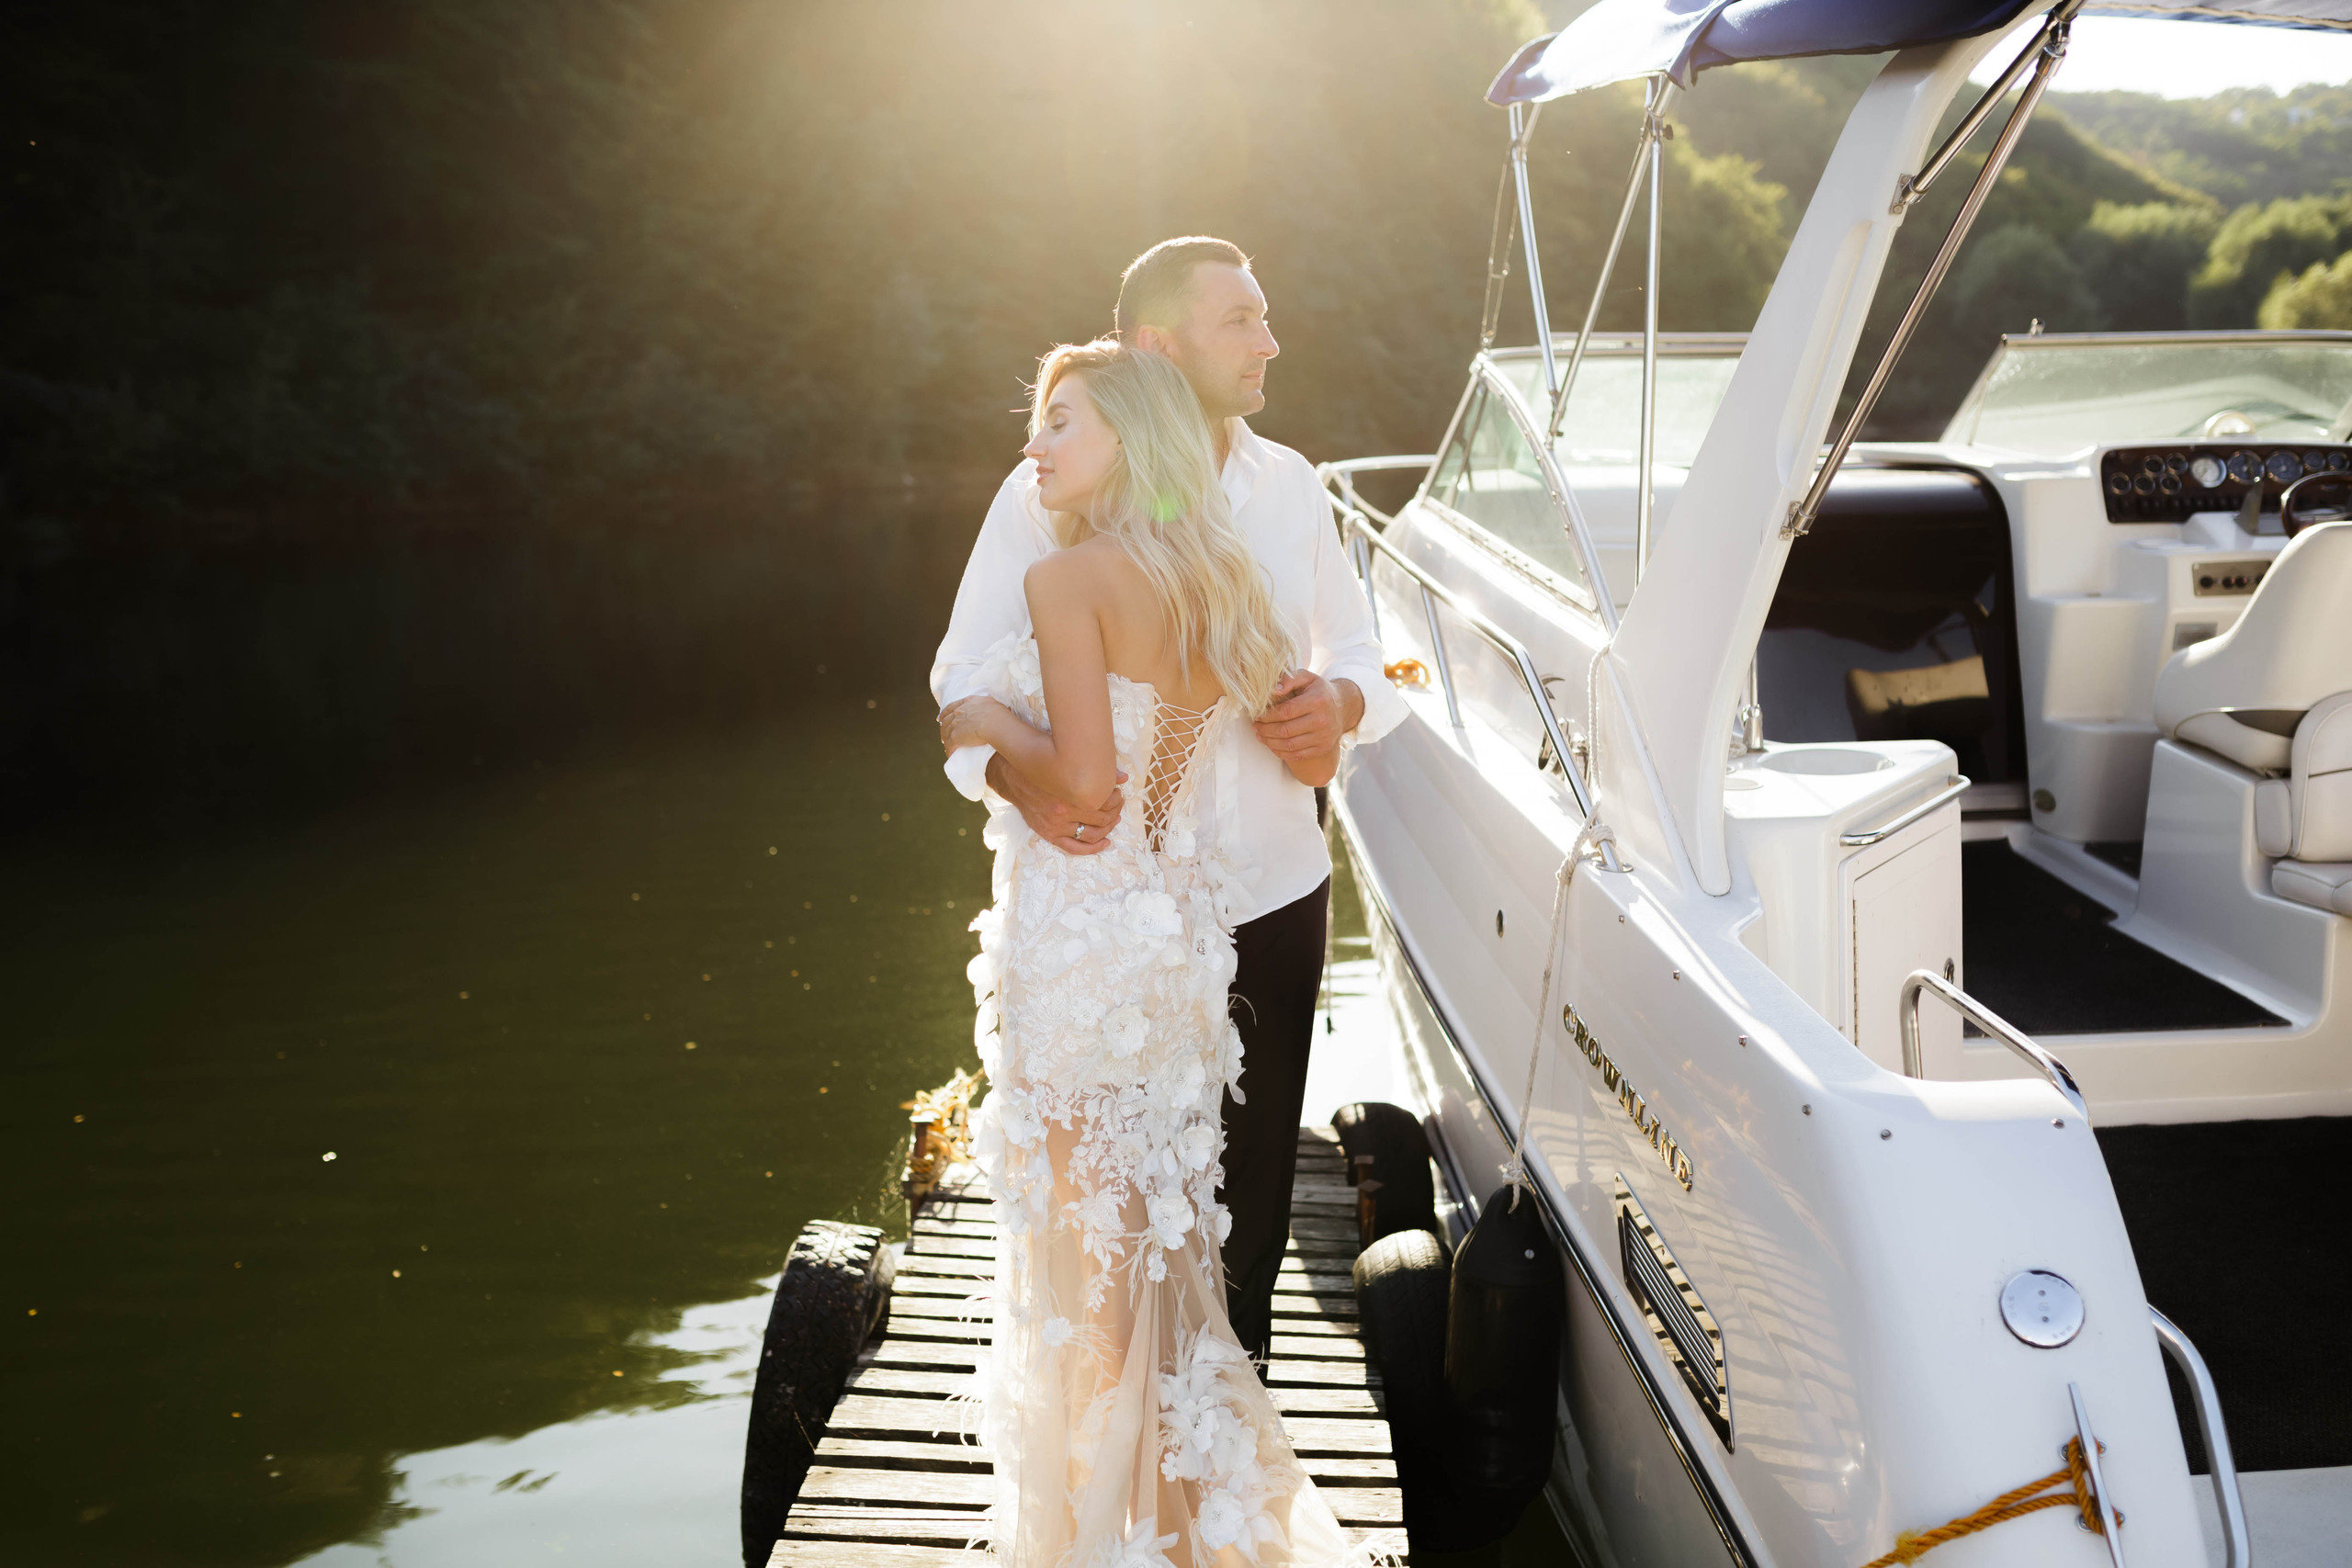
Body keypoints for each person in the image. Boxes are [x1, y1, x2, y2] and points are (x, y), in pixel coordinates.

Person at [931, 237, 1404, 1362]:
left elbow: (1375, 651)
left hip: (1276, 893)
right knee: (1113, 1209)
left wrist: (1341, 703)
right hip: (1116, 918)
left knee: (1248, 1209)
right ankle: (1133, 1463)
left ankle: (1218, 1466)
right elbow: (960, 670)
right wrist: (1006, 776)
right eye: (1240, 319)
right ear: (1157, 344)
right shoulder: (1044, 492)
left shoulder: (1290, 486)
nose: (1268, 341)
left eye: (1264, 314)